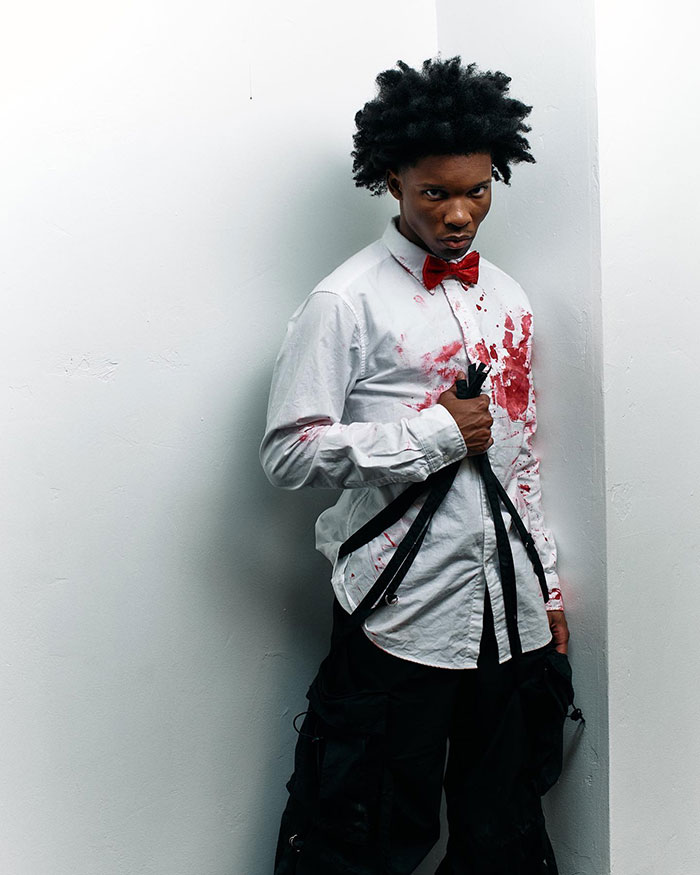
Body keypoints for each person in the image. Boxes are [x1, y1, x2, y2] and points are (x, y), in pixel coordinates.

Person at [261, 57, 573, 875]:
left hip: (510, 622)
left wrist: (546, 590)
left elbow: (518, 453)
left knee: (502, 834)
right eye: (436, 193)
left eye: (477, 189)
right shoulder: (345, 300)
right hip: (396, 618)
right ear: (392, 179)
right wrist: (432, 434)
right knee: (360, 837)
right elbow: (288, 454)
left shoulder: (508, 295)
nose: (461, 213)